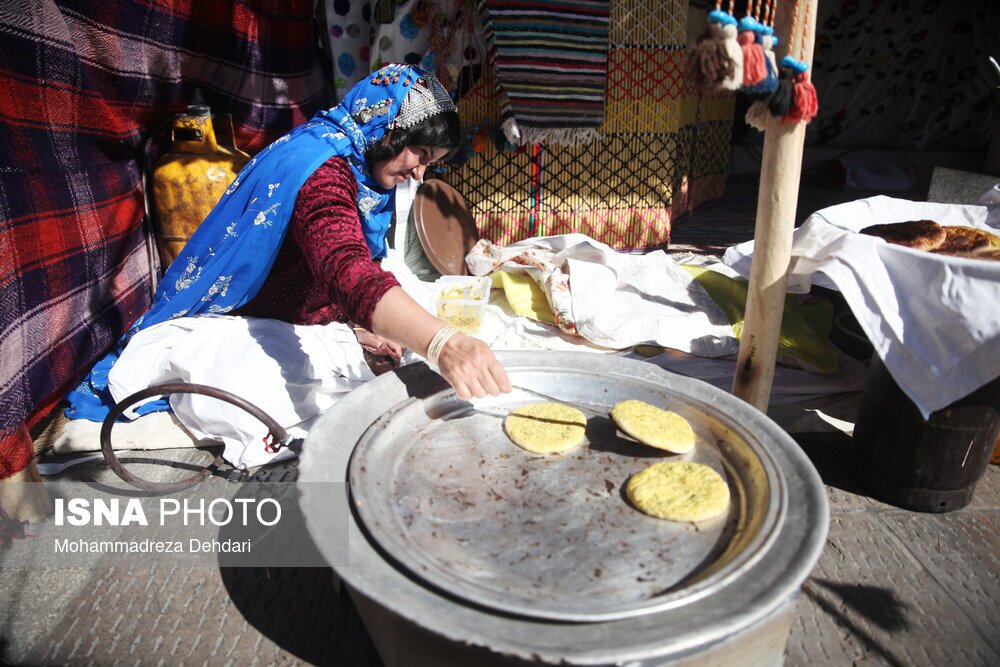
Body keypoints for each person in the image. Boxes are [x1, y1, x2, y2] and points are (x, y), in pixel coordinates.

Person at [67, 64, 511, 464]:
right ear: (387, 127)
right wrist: (444, 343)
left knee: (423, 324)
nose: (419, 175)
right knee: (256, 385)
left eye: (429, 164)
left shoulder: (356, 165)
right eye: (419, 154)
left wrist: (359, 324)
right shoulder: (321, 173)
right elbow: (346, 268)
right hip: (249, 321)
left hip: (309, 314)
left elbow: (356, 265)